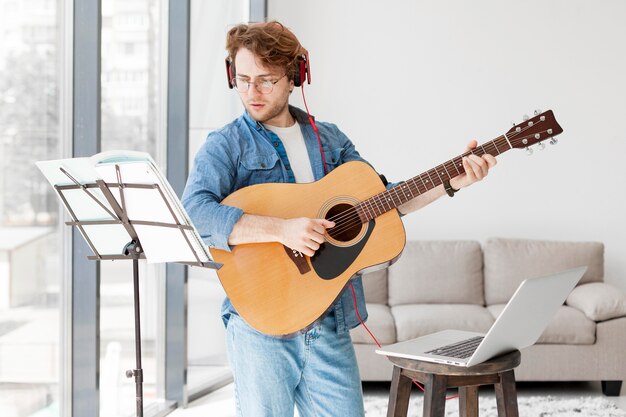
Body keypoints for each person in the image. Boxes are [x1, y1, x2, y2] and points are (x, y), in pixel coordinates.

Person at [181, 21, 497, 417]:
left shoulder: (331, 140)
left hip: (329, 319)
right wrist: (283, 229)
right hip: (259, 326)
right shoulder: (226, 144)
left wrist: (453, 182)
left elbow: (382, 203)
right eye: (243, 80)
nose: (252, 92)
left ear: (295, 76)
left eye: (266, 80)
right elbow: (193, 213)